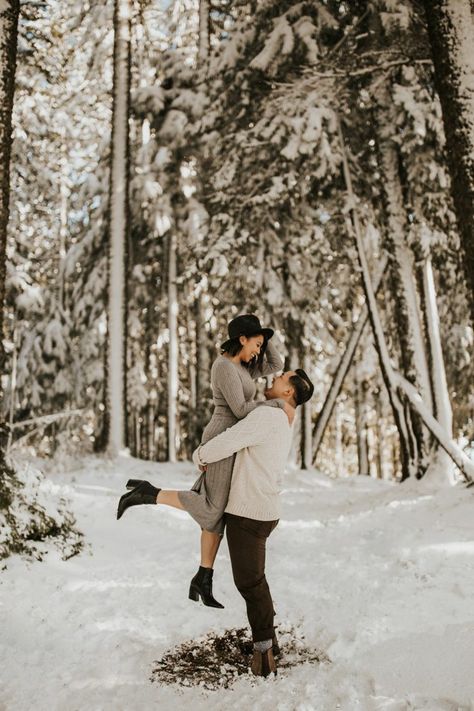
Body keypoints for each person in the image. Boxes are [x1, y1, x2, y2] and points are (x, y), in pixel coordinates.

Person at [116, 314, 294, 608]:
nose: (258, 352)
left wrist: (266, 336)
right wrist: (277, 403)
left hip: (233, 440)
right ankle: (147, 494)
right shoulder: (224, 367)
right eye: (256, 344)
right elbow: (239, 409)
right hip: (222, 440)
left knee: (217, 511)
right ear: (241, 339)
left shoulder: (245, 367)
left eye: (261, 346)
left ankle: (204, 576)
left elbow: (276, 366)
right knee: (212, 508)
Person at [192, 368, 314, 677]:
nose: (274, 377)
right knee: (255, 579)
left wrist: (200, 455)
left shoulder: (268, 418)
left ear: (289, 392)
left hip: (249, 512)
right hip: (264, 510)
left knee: (250, 582)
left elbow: (228, 441)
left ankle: (263, 654)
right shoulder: (284, 418)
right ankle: (269, 639)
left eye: (282, 377)